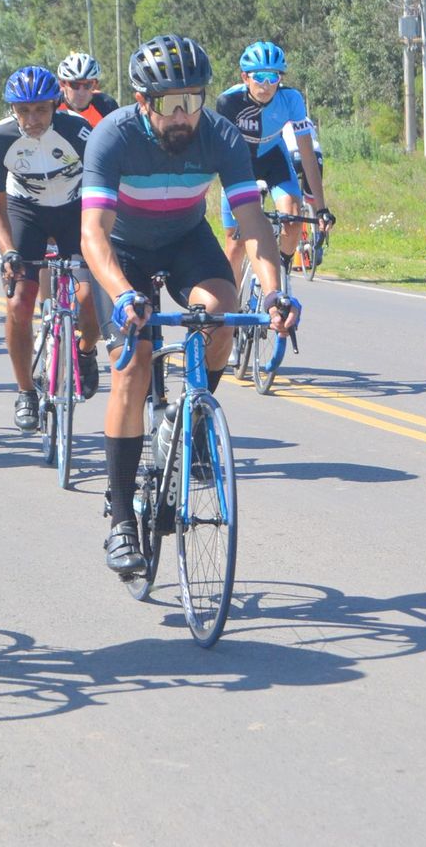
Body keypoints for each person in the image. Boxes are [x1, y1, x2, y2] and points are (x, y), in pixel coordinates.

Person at [80, 34, 298, 574]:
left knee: (220, 312)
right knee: (132, 366)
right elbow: (93, 234)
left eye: (194, 100)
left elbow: (252, 224)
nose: (185, 116)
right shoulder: (113, 137)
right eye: (172, 104)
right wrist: (123, 294)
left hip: (183, 237)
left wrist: (273, 291)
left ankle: (194, 420)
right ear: (143, 101)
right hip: (122, 250)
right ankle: (121, 520)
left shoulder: (220, 135)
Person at [0, 66, 100, 431]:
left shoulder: (79, 131)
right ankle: (25, 391)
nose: (32, 119)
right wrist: (8, 251)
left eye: (41, 110)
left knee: (90, 295)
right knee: (19, 302)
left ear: (54, 104)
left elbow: (102, 192)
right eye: (23, 110)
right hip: (24, 211)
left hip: (73, 210)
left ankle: (86, 350)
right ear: (13, 109)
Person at [213, 41, 334, 283]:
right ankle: (230, 313)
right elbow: (218, 153)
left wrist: (321, 208)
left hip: (273, 158)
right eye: (260, 77)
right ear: (245, 77)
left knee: (291, 215)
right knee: (235, 245)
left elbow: (307, 154)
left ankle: (280, 270)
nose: (267, 85)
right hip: (239, 164)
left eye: (273, 77)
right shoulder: (228, 102)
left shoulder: (291, 99)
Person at [56, 52, 118, 128]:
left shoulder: (107, 106)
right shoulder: (53, 105)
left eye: (87, 85)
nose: (81, 92)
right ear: (62, 84)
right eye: (75, 85)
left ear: (95, 85)